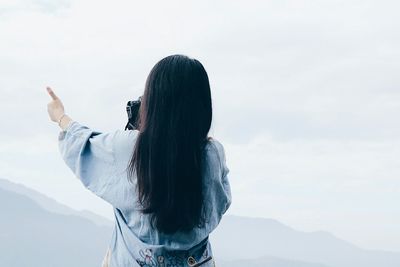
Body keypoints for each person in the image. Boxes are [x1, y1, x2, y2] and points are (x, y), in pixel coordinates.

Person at [46, 54, 232, 267]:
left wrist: (60, 116)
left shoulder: (128, 147)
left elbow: (83, 144)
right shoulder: (212, 154)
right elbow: (221, 202)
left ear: (153, 100)